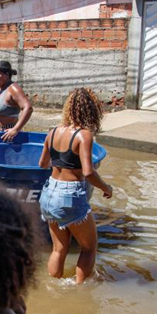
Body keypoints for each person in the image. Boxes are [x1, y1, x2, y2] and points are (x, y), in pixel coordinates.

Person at [38, 87, 113, 284]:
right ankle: (80, 292)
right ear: (92, 110)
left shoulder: (52, 132)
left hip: (48, 194)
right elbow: (88, 172)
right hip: (69, 195)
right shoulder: (84, 135)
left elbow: (42, 164)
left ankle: (54, 288)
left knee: (59, 248)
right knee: (89, 247)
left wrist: (61, 162)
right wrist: (107, 188)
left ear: (68, 108)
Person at [0, 60, 32, 142]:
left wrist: (15, 130)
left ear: (6, 75)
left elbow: (28, 108)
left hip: (7, 135)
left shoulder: (13, 89)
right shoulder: (1, 88)